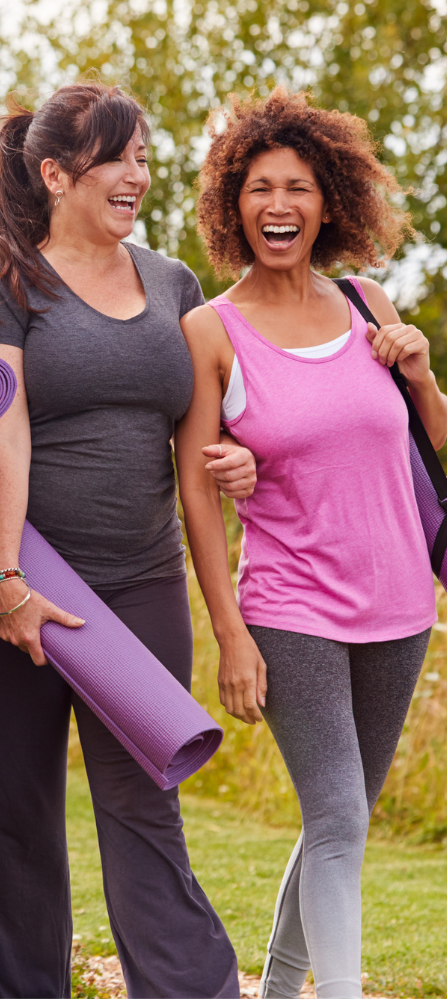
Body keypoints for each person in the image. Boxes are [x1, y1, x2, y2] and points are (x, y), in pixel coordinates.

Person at [0, 82, 252, 999]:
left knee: (145, 804)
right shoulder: (3, 279)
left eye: (146, 159)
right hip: (23, 578)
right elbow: (5, 427)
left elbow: (203, 447)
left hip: (142, 581)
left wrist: (240, 467)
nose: (139, 177)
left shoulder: (174, 284)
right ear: (56, 172)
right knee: (18, 817)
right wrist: (3, 579)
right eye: (120, 158)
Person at [176, 88, 441, 999]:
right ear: (231, 204)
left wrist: (422, 376)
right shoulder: (211, 331)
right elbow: (196, 495)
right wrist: (230, 634)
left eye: (296, 186)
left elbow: (430, 446)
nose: (277, 204)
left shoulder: (369, 304)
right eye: (257, 187)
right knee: (336, 816)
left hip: (403, 605)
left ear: (329, 201)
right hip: (291, 608)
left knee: (346, 819)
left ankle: (281, 990)